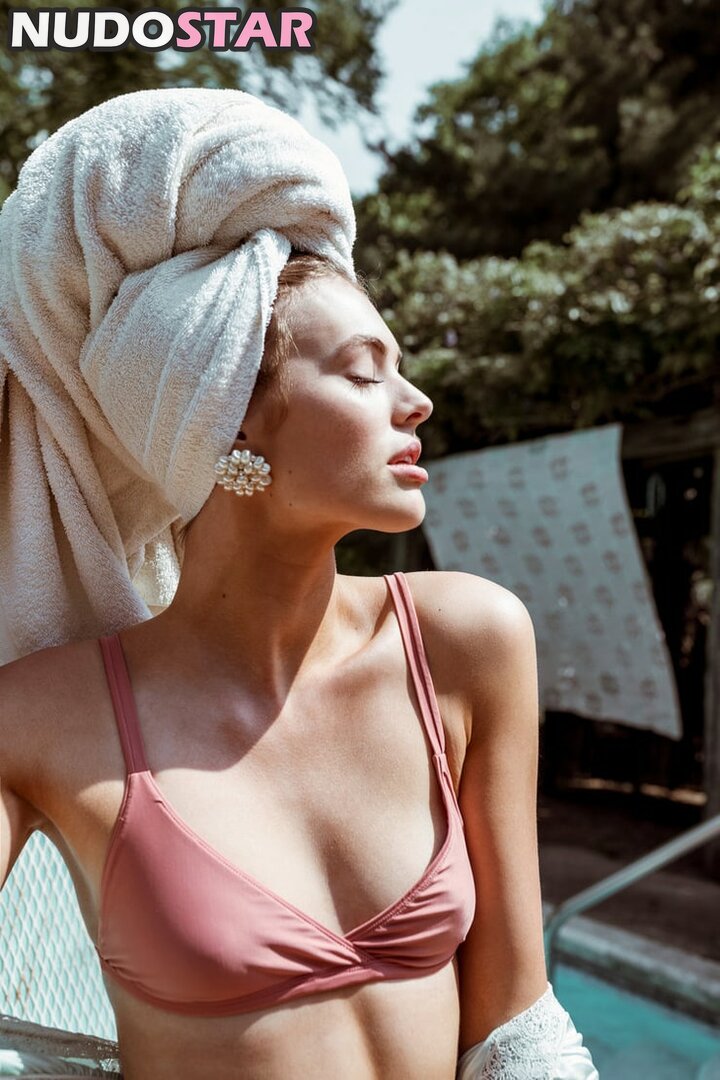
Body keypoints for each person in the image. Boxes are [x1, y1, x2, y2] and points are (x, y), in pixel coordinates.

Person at [0, 90, 598, 1079]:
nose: (417, 401)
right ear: (228, 414)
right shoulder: (41, 715)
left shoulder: (466, 641)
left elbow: (515, 1028)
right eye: (365, 372)